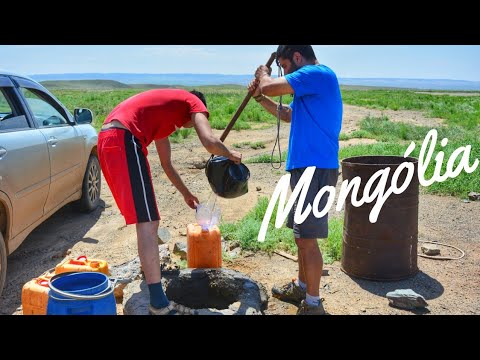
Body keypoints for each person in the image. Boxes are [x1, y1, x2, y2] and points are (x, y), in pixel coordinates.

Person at [97, 89, 242, 315]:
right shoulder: (193, 102)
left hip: (110, 138)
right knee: (147, 223)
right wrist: (232, 155)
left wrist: (186, 193)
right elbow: (210, 141)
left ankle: (153, 287)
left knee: (147, 220)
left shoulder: (162, 117)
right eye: (196, 120)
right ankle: (159, 303)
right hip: (123, 138)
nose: (194, 124)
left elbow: (167, 164)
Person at [248, 45, 343, 315]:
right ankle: (302, 287)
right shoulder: (310, 84)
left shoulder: (317, 73)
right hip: (306, 168)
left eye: (284, 65)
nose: (284, 72)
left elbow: (269, 86)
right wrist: (259, 98)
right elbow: (288, 114)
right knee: (302, 237)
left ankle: (313, 304)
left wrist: (263, 75)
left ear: (297, 58)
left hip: (316, 168)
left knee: (308, 239)